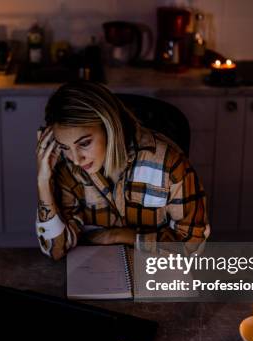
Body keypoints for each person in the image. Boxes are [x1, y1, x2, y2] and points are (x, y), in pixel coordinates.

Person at [35, 81, 210, 260]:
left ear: (110, 127)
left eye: (85, 143)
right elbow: (56, 250)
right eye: (65, 147)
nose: (76, 159)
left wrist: (119, 236)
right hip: (96, 274)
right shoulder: (67, 169)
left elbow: (192, 247)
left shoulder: (169, 164)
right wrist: (43, 182)